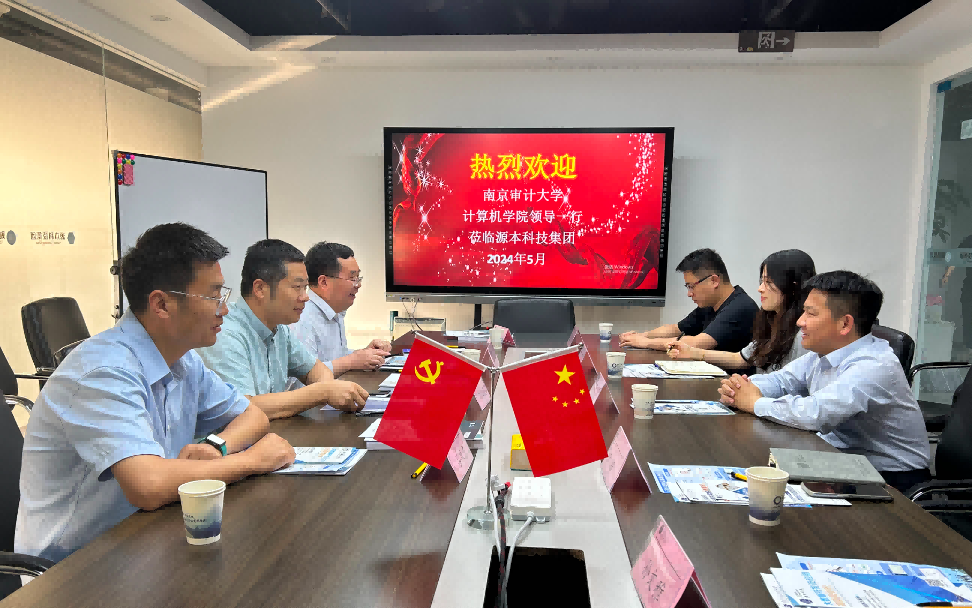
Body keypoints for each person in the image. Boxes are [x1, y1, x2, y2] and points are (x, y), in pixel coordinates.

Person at [15, 223, 296, 563]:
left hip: (146, 538)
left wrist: (216, 446)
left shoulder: (183, 359)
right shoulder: (103, 371)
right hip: (72, 567)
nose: (224, 308)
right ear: (161, 304)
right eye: (213, 296)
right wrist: (252, 461)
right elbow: (147, 485)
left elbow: (252, 415)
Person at [717, 271, 931, 492]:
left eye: (811, 314)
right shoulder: (823, 352)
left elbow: (816, 414)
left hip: (891, 478)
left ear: (845, 324)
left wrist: (753, 402)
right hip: (840, 459)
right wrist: (740, 389)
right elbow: (781, 381)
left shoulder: (875, 365)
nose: (800, 321)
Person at [197, 239, 369, 419]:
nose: (305, 297)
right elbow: (243, 407)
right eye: (297, 287)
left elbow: (315, 369)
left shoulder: (279, 328)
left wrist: (328, 388)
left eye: (305, 288)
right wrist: (322, 392)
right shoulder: (224, 332)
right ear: (260, 289)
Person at [668, 249, 816, 373]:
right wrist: (693, 352)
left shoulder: (803, 334)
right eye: (762, 281)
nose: (760, 289)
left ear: (793, 287)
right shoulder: (771, 322)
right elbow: (740, 358)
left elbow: (787, 386)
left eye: (769, 282)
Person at [619, 248, 758, 352]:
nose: (689, 294)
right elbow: (676, 329)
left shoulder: (740, 307)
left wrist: (645, 343)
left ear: (714, 281)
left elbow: (697, 343)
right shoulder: (711, 304)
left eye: (691, 286)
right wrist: (642, 335)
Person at [290, 242, 391, 379]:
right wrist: (351, 361)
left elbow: (336, 357)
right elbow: (301, 378)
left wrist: (365, 354)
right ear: (324, 282)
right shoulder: (301, 318)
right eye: (352, 278)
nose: (358, 285)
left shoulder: (335, 312)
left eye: (358, 277)